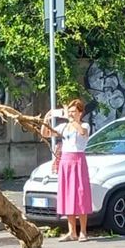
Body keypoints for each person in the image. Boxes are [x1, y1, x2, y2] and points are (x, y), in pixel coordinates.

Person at [44, 98, 92, 240]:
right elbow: (46, 133)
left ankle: (83, 231)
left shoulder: (84, 125)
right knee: (68, 195)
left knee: (81, 195)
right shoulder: (64, 127)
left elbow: (82, 132)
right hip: (66, 161)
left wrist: (71, 119)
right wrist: (47, 117)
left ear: (80, 113)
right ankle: (72, 232)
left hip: (78, 160)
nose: (70, 114)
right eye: (69, 111)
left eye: (73, 112)